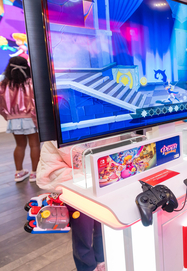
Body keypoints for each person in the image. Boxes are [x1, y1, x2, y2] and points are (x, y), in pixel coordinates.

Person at [37, 141, 105, 271]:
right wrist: (89, 175)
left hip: (102, 188)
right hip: (77, 192)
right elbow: (52, 170)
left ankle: (102, 259)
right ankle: (87, 267)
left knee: (102, 227)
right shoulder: (56, 134)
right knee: (83, 233)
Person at [0, 57, 39, 182]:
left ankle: (18, 172)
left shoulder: (4, 84)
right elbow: (36, 102)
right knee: (34, 145)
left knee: (20, 145)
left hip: (13, 120)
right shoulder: (31, 82)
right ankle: (35, 173)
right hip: (30, 118)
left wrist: (8, 117)